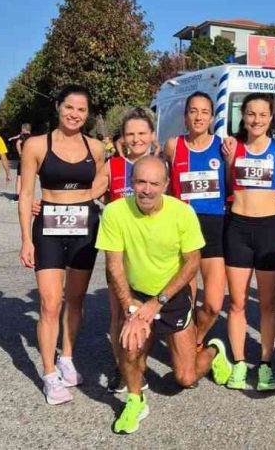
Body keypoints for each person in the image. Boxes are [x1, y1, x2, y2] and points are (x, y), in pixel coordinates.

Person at [96, 156, 231, 434]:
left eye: (154, 183)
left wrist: (158, 302)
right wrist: (130, 309)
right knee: (131, 351)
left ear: (166, 185)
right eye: (140, 182)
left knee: (185, 377)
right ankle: (135, 400)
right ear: (131, 183)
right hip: (135, 294)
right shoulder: (114, 212)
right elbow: (114, 266)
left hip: (172, 296)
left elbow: (192, 262)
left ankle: (214, 351)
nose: (146, 189)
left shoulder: (182, 213)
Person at [18, 84, 105, 404]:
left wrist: (83, 197)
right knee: (50, 303)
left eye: (81, 110)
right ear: (58, 106)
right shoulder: (36, 145)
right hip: (48, 229)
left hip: (85, 226)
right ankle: (49, 373)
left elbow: (103, 180)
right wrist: (26, 238)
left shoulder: (95, 147)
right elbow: (26, 193)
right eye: (69, 107)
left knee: (76, 299)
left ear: (87, 114)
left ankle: (67, 357)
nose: (75, 114)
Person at [222, 93, 275, 391]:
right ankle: (239, 363)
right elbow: (225, 185)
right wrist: (228, 162)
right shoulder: (232, 146)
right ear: (243, 115)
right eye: (251, 114)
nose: (256, 120)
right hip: (237, 228)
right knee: (237, 303)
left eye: (263, 115)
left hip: (268, 230)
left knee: (268, 303)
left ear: (271, 117)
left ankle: (265, 364)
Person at [164, 91, 228, 379]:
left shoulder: (225, 147)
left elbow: (240, 183)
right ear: (186, 115)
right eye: (193, 111)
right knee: (185, 305)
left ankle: (200, 341)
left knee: (213, 303)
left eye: (204, 111)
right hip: (181, 232)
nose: (199, 116)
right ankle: (189, 347)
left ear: (212, 117)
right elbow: (161, 187)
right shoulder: (173, 146)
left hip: (214, 230)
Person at [101, 107, 159, 393]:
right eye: (130, 134)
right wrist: (49, 203)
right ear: (121, 138)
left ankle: (141, 366)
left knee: (148, 315)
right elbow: (89, 193)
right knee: (121, 315)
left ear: (152, 135)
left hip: (155, 257)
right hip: (120, 256)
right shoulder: (112, 166)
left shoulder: (162, 165)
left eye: (141, 133)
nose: (136, 139)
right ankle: (122, 368)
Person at [10, 123, 32, 203]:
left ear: (24, 129)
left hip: (23, 159)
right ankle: (27, 196)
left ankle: (17, 196)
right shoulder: (33, 137)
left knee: (19, 177)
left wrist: (20, 153)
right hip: (31, 160)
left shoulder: (22, 136)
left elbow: (18, 143)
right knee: (29, 177)